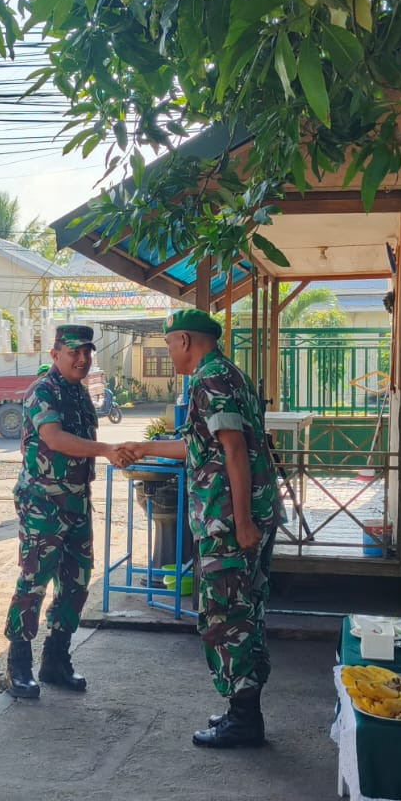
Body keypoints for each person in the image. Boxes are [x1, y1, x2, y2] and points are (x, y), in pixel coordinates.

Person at [117, 309, 279, 747]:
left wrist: (242, 521)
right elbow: (199, 445)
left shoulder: (210, 380)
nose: (168, 353)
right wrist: (145, 445)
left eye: (169, 344)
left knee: (227, 615)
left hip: (229, 521)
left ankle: (244, 721)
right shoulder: (226, 374)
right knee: (244, 609)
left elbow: (235, 450)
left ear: (185, 340)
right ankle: (242, 710)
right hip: (234, 516)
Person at [5, 323, 126, 698]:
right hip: (43, 502)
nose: (82, 359)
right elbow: (54, 438)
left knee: (76, 582)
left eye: (87, 352)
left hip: (75, 500)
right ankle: (18, 665)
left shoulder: (79, 393)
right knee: (35, 580)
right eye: (74, 352)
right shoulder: (43, 391)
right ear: (55, 354)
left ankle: (56, 660)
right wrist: (106, 449)